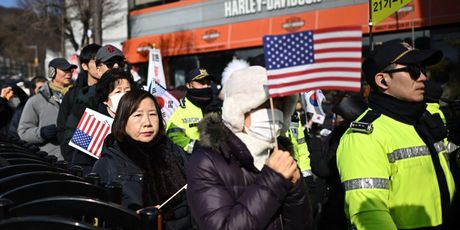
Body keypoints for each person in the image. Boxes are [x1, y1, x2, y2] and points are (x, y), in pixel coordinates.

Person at [337, 39, 456, 229]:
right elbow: (369, 215)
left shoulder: (423, 120)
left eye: (422, 69)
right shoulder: (364, 136)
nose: (423, 77)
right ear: (382, 80)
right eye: (413, 70)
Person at [186, 66, 312, 229]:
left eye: (280, 104)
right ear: (238, 110)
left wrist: (296, 190)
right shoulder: (206, 161)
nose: (275, 112)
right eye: (264, 104)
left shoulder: (278, 152)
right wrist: (274, 179)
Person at [92, 90, 195, 229]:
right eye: (138, 115)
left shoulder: (174, 152)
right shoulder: (108, 164)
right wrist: (133, 218)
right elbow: (101, 218)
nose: (147, 122)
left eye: (152, 114)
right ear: (123, 121)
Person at [60, 44, 125, 162]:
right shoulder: (85, 99)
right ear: (98, 69)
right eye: (110, 64)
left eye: (120, 64)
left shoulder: (137, 97)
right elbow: (70, 144)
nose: (116, 67)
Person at [71, 68, 134, 174]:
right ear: (105, 99)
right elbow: (79, 166)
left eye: (127, 91)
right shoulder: (91, 125)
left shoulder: (139, 120)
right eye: (118, 91)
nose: (124, 95)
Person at [18, 58, 76, 160]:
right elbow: (23, 133)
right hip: (50, 163)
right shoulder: (35, 101)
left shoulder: (80, 96)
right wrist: (41, 133)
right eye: (65, 70)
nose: (69, 73)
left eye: (70, 70)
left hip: (77, 160)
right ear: (52, 72)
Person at [57, 44, 101, 149]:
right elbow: (63, 130)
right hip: (81, 156)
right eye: (97, 62)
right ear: (85, 66)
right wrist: (85, 148)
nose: (101, 66)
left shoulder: (113, 91)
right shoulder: (73, 95)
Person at [166, 68, 216, 153]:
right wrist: (196, 147)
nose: (206, 86)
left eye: (208, 83)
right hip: (194, 161)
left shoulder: (218, 106)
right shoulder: (180, 111)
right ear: (189, 85)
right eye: (201, 82)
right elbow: (174, 135)